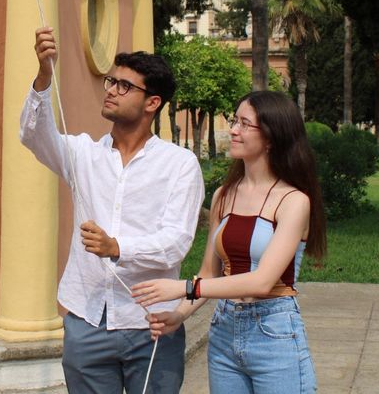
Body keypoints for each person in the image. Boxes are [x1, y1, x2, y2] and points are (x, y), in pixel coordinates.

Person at [22, 27, 204, 393]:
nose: (110, 90)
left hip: (151, 324)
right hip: (86, 321)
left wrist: (116, 247)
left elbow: (177, 242)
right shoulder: (83, 154)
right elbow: (33, 135)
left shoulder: (179, 164)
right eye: (111, 81)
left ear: (152, 103)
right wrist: (44, 74)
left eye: (124, 86)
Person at [131, 90, 325, 394]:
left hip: (273, 333)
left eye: (245, 124)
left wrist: (183, 287)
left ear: (271, 137)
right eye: (235, 121)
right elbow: (210, 272)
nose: (233, 129)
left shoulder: (293, 201)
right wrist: (178, 315)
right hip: (223, 332)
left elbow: (262, 282)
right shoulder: (225, 194)